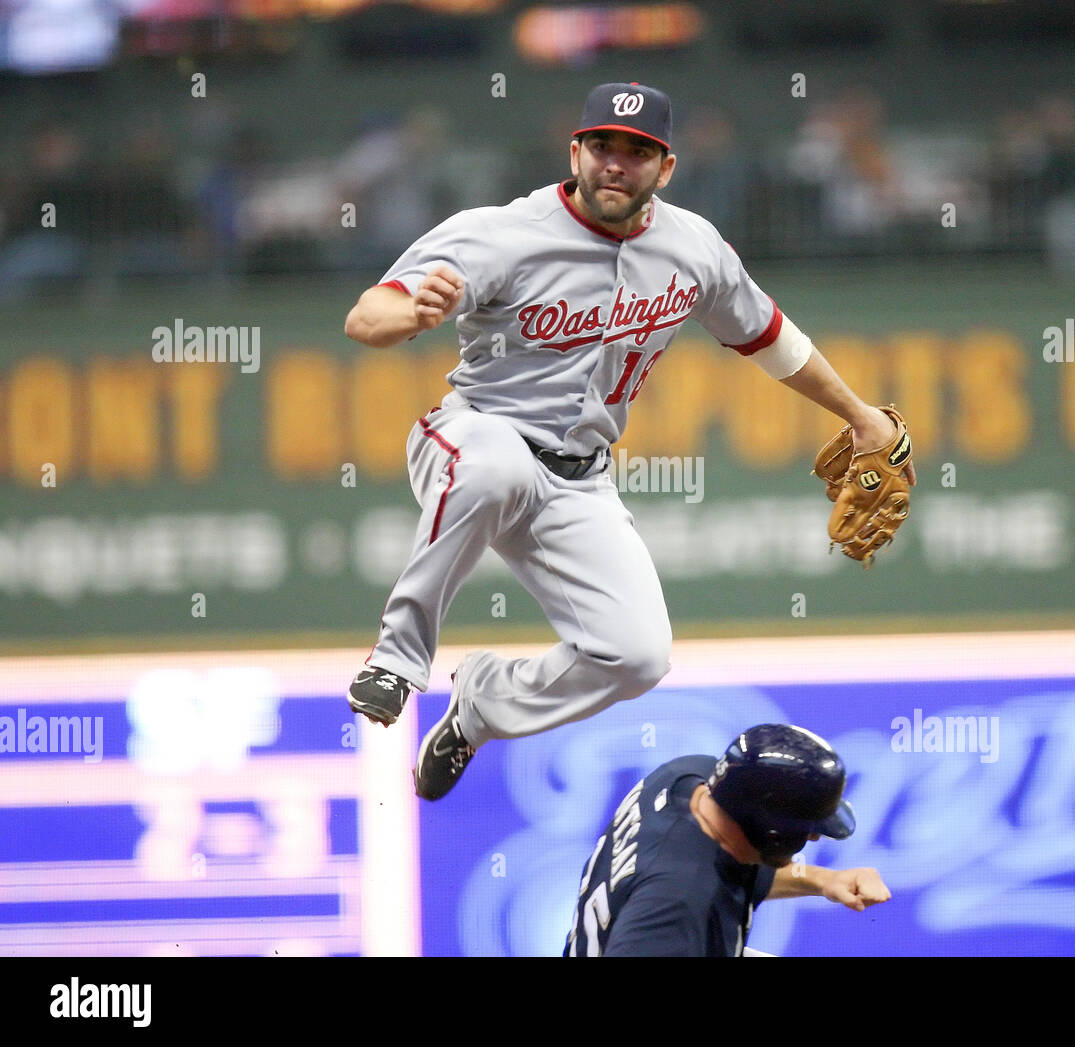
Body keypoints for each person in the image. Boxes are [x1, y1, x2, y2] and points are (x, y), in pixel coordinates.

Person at [342, 82, 917, 801]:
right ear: (576, 152)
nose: (618, 163)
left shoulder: (692, 247)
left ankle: (481, 703)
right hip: (473, 434)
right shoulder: (498, 232)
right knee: (491, 470)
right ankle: (399, 658)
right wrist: (405, 319)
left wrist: (860, 414)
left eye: (638, 151)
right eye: (605, 146)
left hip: (579, 478)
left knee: (636, 656)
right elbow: (368, 314)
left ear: (665, 168)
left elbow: (768, 336)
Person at [564, 723, 891, 957]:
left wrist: (824, 880)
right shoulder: (677, 907)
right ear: (769, 829)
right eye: (807, 826)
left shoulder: (687, 777)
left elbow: (732, 865)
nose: (815, 836)